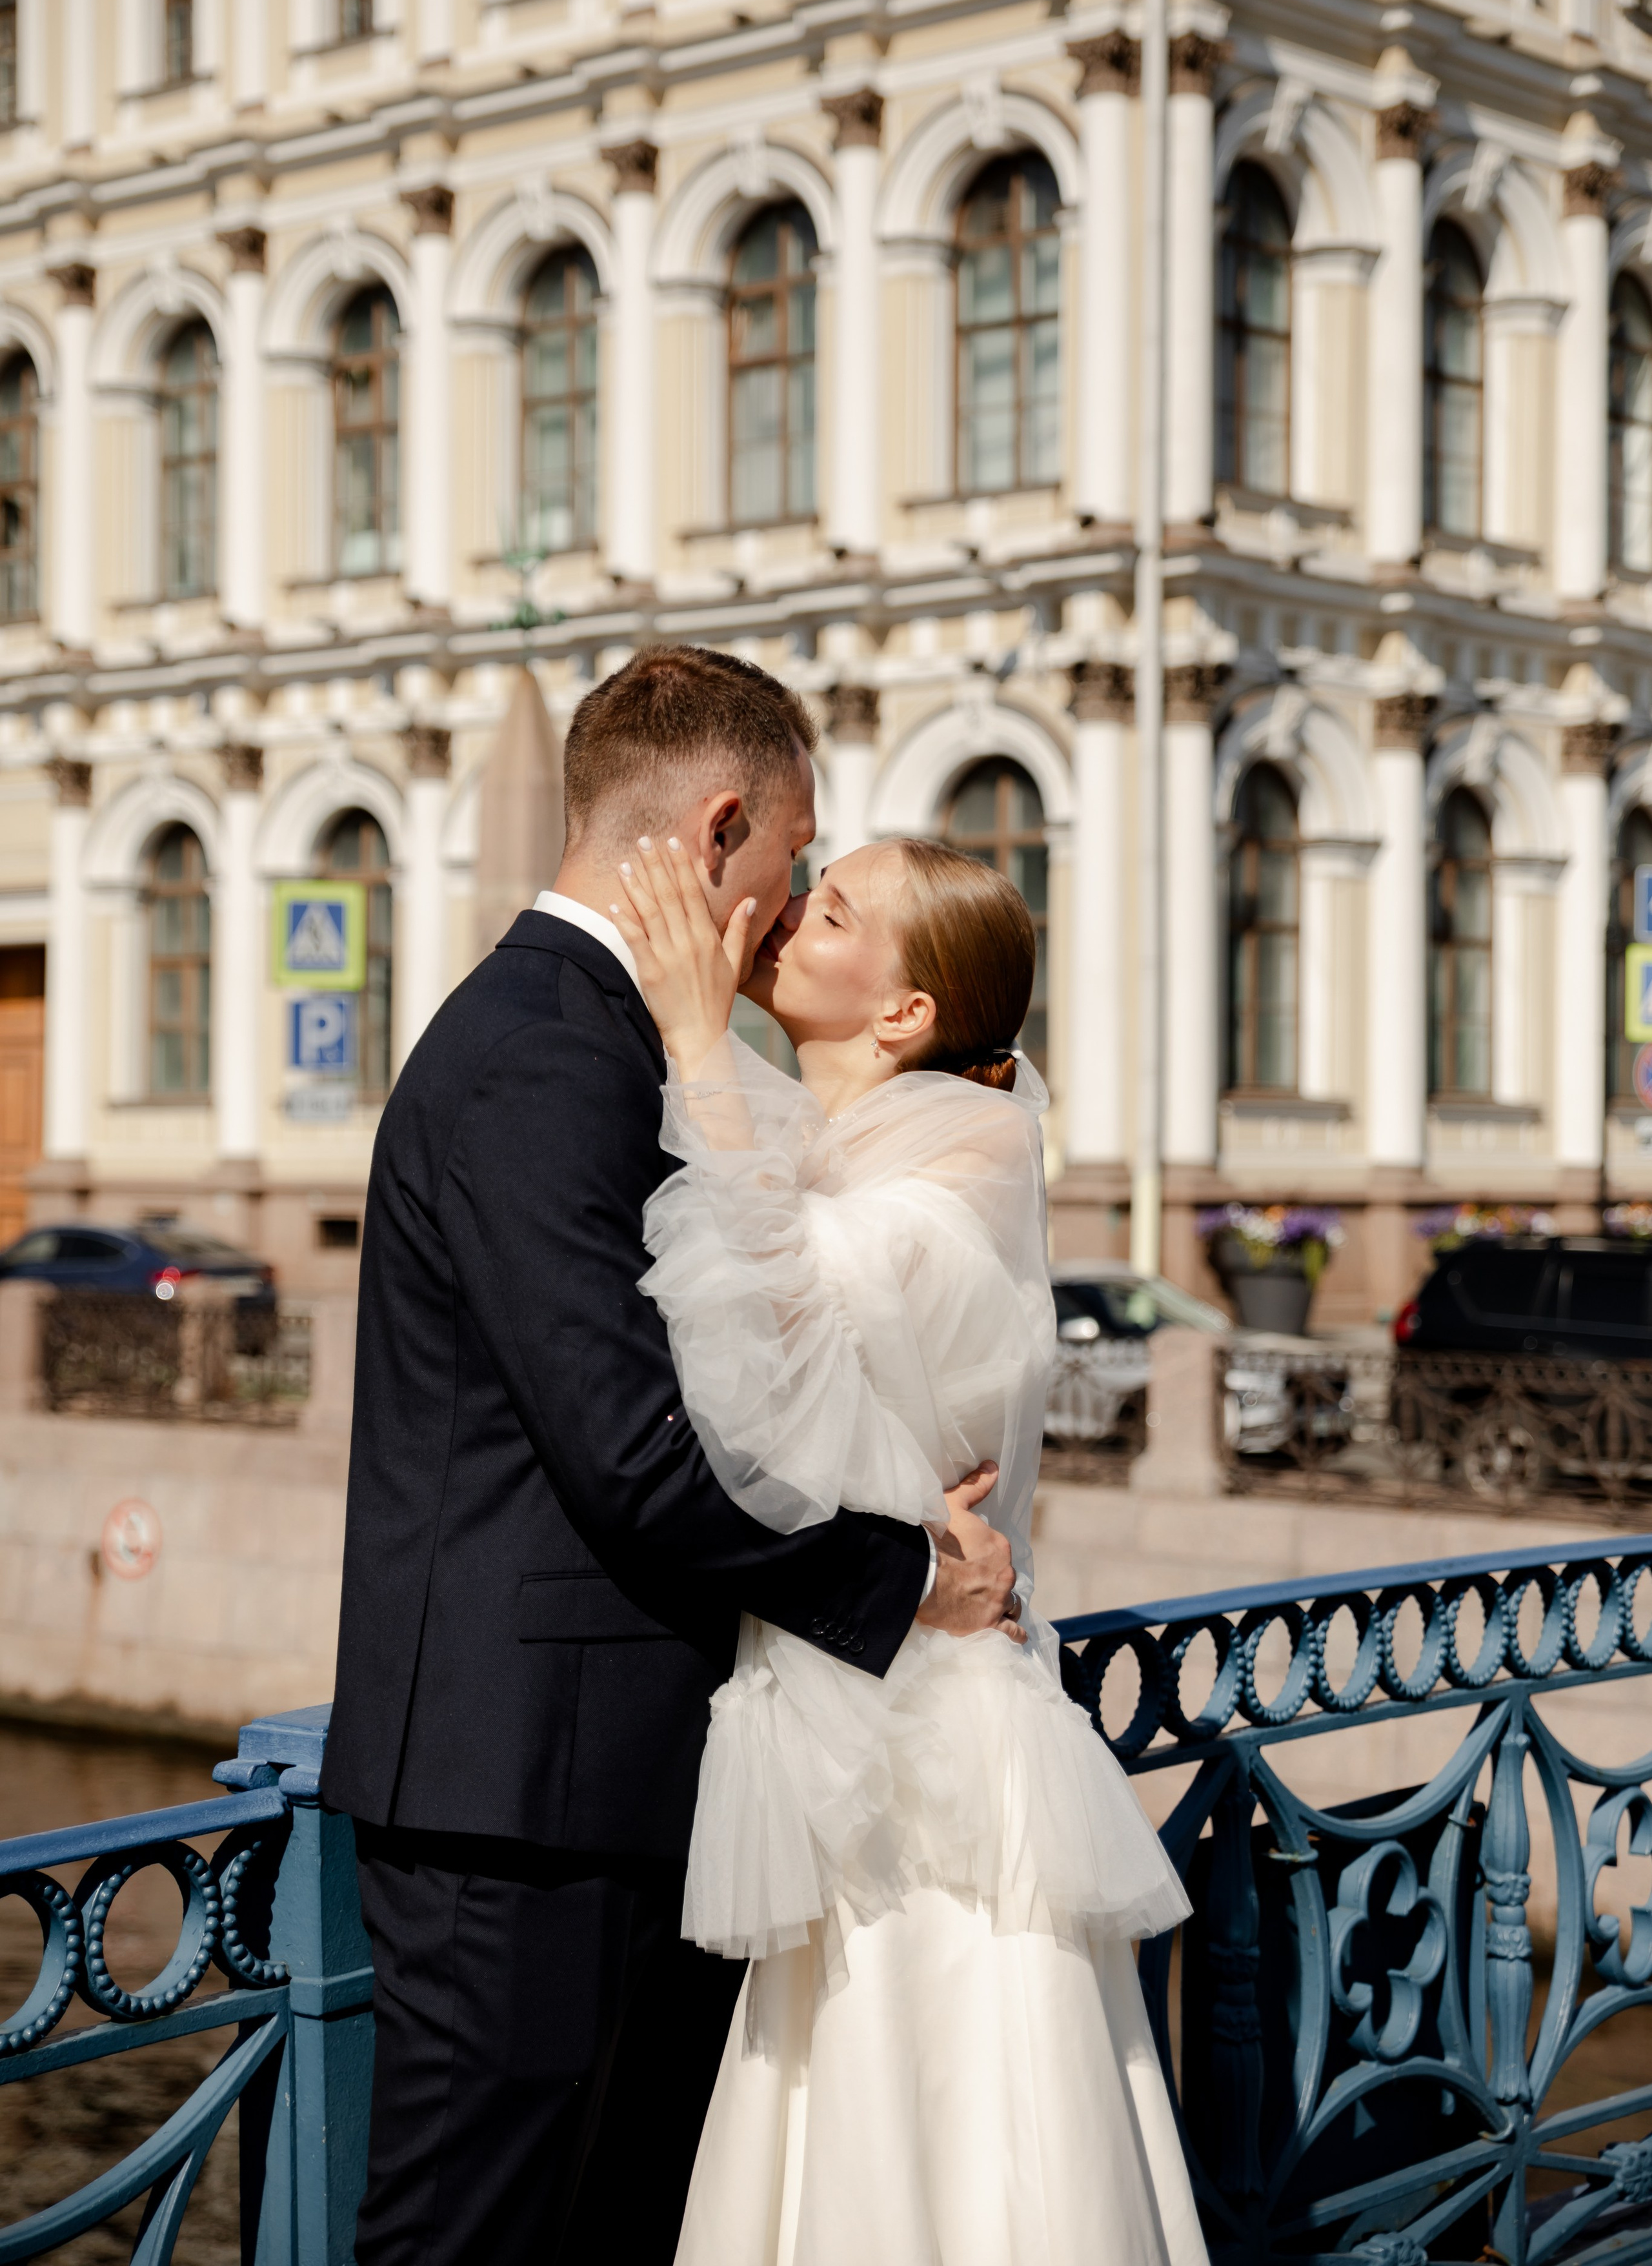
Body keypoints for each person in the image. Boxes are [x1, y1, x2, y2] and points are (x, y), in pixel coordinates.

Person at [318, 645, 1020, 2265]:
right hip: (522, 1807)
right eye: (793, 858)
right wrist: (907, 1573)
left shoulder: (604, 1038)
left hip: (604, 1778)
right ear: (719, 832)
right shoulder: (543, 1052)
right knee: (471, 2243)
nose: (788, 904)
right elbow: (635, 1452)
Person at [607, 829, 1206, 2266]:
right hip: (854, 1691)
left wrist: (692, 1036)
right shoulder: (825, 1142)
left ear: (903, 1014)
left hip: (922, 1752)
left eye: (831, 911)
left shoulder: (962, 1163)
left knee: (940, 2107)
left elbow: (761, 1365)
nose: (790, 918)